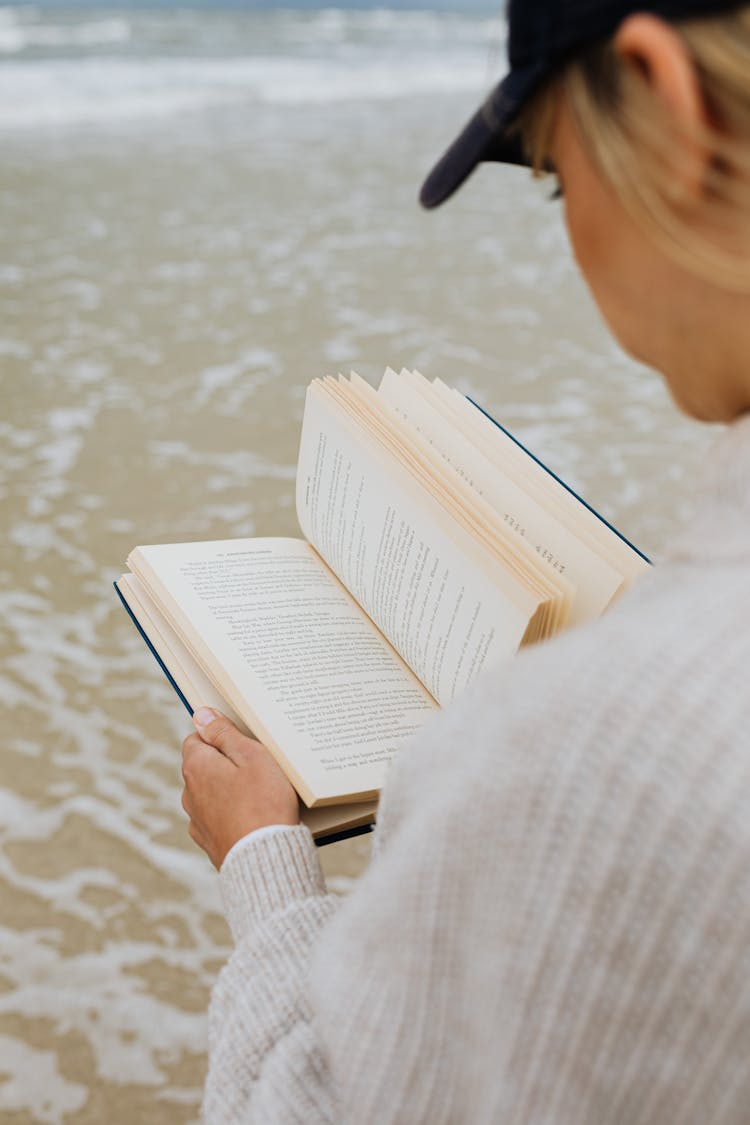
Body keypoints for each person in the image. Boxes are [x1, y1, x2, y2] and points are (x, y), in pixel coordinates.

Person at [180, 0, 750, 1120]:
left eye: (553, 175)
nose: (568, 220)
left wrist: (262, 861)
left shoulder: (579, 763)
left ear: (670, 113)